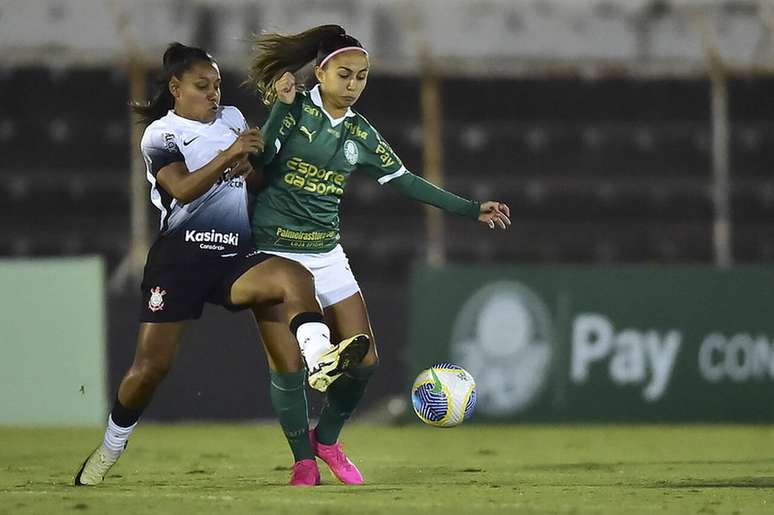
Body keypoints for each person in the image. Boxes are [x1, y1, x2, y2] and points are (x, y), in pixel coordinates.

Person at [73, 42, 370, 487]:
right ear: (176, 88)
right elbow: (182, 190)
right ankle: (112, 444)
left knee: (294, 276)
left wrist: (274, 143)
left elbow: (257, 175)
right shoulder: (161, 134)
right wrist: (231, 154)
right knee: (150, 369)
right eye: (201, 86)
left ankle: (318, 356)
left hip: (233, 254)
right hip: (182, 261)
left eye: (217, 85)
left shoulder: (231, 118)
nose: (213, 94)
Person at [245, 25, 511, 486]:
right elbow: (261, 164)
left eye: (362, 77)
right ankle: (302, 462)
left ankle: (326, 441)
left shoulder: (360, 132)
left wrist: (471, 209)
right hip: (275, 253)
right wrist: (277, 112)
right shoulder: (292, 110)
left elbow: (407, 181)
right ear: (321, 72)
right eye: (344, 75)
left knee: (365, 362)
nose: (353, 86)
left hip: (327, 256)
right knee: (288, 368)